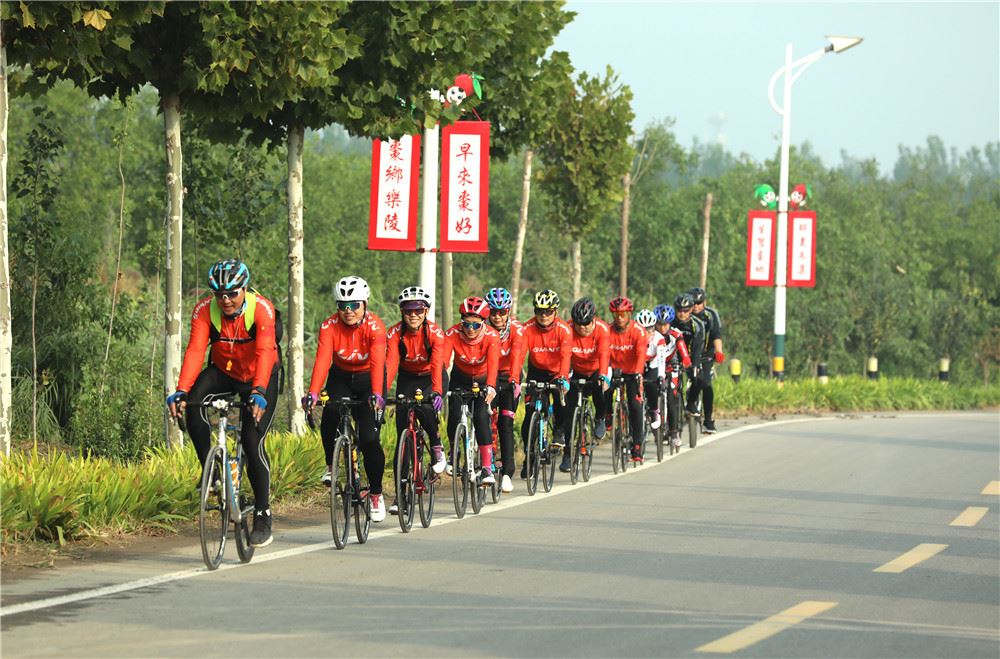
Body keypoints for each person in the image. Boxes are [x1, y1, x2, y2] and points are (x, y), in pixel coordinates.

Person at [166, 259, 280, 548]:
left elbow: (266, 352)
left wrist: (259, 392)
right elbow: (194, 350)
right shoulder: (205, 311)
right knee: (193, 406)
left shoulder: (261, 309)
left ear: (244, 289)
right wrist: (180, 389)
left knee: (253, 442)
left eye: (232, 294)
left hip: (259, 376)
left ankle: (263, 514)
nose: (225, 300)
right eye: (219, 295)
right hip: (224, 371)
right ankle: (213, 472)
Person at [301, 276, 389, 523]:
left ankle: (376, 494)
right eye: (343, 306)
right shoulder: (329, 326)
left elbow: (377, 362)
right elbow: (322, 360)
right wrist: (314, 392)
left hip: (368, 378)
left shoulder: (376, 327)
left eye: (354, 305)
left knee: (370, 439)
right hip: (340, 377)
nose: (348, 311)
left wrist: (377, 394)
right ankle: (331, 466)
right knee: (330, 412)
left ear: (365, 303)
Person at [385, 286, 447, 514]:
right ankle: (400, 496)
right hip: (407, 377)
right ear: (402, 312)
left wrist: (437, 392)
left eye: (418, 310)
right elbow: (391, 364)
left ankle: (437, 446)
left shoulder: (434, 333)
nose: (413, 315)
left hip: (432, 376)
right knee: (403, 438)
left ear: (426, 312)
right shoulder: (394, 334)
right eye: (408, 310)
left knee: (427, 408)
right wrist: (381, 393)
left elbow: (437, 363)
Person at [442, 296, 500, 485]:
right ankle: (454, 454)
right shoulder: (452, 334)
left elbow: (493, 365)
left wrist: (491, 387)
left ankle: (486, 467)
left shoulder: (492, 336)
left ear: (484, 323)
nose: (470, 329)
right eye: (466, 324)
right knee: (454, 416)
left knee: (481, 418)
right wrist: (439, 385)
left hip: (484, 380)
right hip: (460, 379)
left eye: (476, 325)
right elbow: (443, 361)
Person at [519, 290, 572, 478]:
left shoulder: (564, 329)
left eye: (548, 311)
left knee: (561, 401)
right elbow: (519, 355)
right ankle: (529, 457)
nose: (544, 315)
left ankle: (558, 432)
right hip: (537, 371)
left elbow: (566, 356)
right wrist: (514, 378)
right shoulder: (527, 328)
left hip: (558, 372)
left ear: (555, 312)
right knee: (529, 415)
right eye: (540, 311)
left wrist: (563, 377)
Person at [563, 296, 611, 471]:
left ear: (594, 320)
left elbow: (605, 354)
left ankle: (600, 417)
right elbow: (565, 355)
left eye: (586, 324)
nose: (582, 328)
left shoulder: (603, 329)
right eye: (578, 324)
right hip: (576, 370)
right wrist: (565, 378)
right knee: (569, 411)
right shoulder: (567, 329)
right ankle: (568, 454)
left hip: (597, 368)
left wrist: (603, 376)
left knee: (601, 387)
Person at [485, 287, 525, 493]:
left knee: (505, 423)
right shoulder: (482, 328)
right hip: (488, 377)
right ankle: (486, 461)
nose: (498, 317)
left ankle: (508, 472)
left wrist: (515, 379)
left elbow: (517, 354)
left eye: (502, 312)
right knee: (483, 418)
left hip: (509, 377)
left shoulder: (517, 329)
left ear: (508, 311)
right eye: (493, 312)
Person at [605, 296, 647, 462]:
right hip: (614, 370)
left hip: (632, 372)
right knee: (603, 387)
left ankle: (637, 445)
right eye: (616, 315)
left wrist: (637, 372)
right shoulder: (607, 331)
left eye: (622, 314)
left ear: (629, 314)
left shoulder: (638, 331)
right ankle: (608, 414)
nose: (619, 318)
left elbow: (641, 354)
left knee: (635, 405)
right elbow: (603, 353)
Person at [653, 304, 692, 448]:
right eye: (659, 324)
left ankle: (674, 432)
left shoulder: (675, 334)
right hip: (656, 366)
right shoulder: (651, 334)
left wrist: (686, 360)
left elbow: (682, 348)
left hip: (672, 365)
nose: (663, 328)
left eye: (666, 325)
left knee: (672, 396)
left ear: (670, 323)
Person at [689, 287, 724, 433]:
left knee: (706, 384)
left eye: (699, 302)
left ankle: (708, 420)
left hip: (705, 354)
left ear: (704, 302)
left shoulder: (711, 315)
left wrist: (719, 352)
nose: (696, 306)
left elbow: (716, 335)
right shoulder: (684, 314)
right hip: (688, 355)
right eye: (693, 303)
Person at [671, 292, 706, 426]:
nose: (682, 314)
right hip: (674, 357)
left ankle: (691, 404)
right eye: (679, 311)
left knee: (699, 380)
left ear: (691, 310)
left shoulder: (698, 325)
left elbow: (698, 347)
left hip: (691, 357)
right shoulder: (671, 323)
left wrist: (694, 366)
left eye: (685, 311)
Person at [635, 308, 666, 432]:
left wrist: (661, 376)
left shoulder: (659, 339)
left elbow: (661, 360)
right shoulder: (633, 337)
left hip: (652, 365)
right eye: (643, 330)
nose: (646, 333)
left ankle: (654, 410)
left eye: (649, 329)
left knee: (653, 386)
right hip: (638, 365)